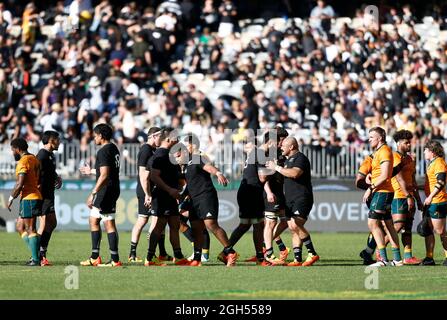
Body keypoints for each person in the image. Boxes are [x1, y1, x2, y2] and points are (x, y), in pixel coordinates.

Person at [182, 134, 238, 267]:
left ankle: (230, 252)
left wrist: (218, 173)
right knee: (197, 228)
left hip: (205, 195)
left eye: (185, 145)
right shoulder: (186, 162)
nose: (183, 148)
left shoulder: (198, 157)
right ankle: (197, 258)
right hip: (193, 199)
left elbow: (209, 167)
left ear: (193, 145)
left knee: (211, 224)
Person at [267, 137, 319, 266]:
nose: (281, 147)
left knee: (295, 224)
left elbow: (294, 173)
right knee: (292, 228)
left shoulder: (300, 158)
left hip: (302, 197)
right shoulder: (287, 160)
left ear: (291, 147)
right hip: (290, 199)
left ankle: (312, 253)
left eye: (284, 145)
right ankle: (297, 259)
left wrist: (277, 168)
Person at [79, 124, 122, 267]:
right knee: (93, 220)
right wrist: (91, 170)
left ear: (101, 136)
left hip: (106, 190)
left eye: (95, 135)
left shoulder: (103, 151)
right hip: (111, 188)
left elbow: (104, 175)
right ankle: (94, 257)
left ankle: (115, 259)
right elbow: (106, 170)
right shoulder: (113, 148)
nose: (94, 138)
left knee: (109, 223)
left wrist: (93, 193)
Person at [128, 127, 172, 263]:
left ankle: (162, 253)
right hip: (145, 190)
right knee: (144, 220)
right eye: (160, 137)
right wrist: (147, 194)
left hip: (151, 190)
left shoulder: (153, 150)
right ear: (153, 136)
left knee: (158, 220)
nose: (162, 140)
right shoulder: (145, 150)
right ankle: (136, 254)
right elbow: (143, 175)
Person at [145, 127, 188, 266]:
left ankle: (178, 256)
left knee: (175, 225)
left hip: (170, 196)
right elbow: (153, 176)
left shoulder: (169, 155)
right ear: (169, 139)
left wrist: (178, 190)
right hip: (162, 195)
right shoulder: (160, 155)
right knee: (159, 226)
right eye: (177, 138)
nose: (178, 141)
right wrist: (170, 190)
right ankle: (150, 258)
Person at [363, 127, 402, 267]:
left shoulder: (384, 151)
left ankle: (383, 259)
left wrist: (370, 188)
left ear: (380, 138)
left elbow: (385, 176)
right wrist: (371, 176)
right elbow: (382, 173)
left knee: (373, 223)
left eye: (371, 137)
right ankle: (397, 259)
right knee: (388, 225)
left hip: (382, 192)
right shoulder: (379, 152)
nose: (369, 139)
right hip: (383, 191)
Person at [225, 131, 266, 265]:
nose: (244, 145)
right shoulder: (258, 154)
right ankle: (260, 258)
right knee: (258, 225)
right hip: (252, 193)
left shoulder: (250, 157)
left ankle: (226, 251)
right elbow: (263, 177)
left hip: (245, 192)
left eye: (246, 143)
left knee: (245, 224)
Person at [7, 138, 43, 266]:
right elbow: (39, 178)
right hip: (33, 196)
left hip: (29, 198)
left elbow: (19, 183)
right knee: (20, 227)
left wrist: (11, 198)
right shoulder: (34, 158)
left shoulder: (23, 161)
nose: (12, 153)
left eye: (12, 150)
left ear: (17, 149)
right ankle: (36, 255)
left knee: (30, 229)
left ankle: (36, 259)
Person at [390, 130, 423, 265]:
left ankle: (408, 256)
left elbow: (413, 181)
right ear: (398, 144)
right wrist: (408, 196)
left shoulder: (410, 159)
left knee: (407, 228)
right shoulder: (395, 157)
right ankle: (380, 251)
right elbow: (399, 179)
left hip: (410, 196)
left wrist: (418, 200)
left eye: (410, 142)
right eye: (406, 142)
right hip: (399, 196)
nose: (409, 144)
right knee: (397, 227)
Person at [259, 128, 290, 265]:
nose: (284, 142)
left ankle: (270, 247)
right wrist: (268, 192)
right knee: (269, 222)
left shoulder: (280, 153)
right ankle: (269, 253)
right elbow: (263, 176)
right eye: (283, 139)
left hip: (279, 191)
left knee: (284, 222)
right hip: (270, 192)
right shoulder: (266, 153)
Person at [36, 131, 62, 266]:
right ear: (51, 141)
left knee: (52, 223)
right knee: (45, 223)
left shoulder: (51, 155)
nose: (59, 142)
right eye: (58, 140)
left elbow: (48, 171)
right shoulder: (41, 155)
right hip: (42, 195)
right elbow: (35, 172)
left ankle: (41, 254)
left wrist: (56, 177)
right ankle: (36, 257)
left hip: (49, 194)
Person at [422, 140, 447, 266]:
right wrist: (417, 187)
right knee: (427, 229)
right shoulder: (432, 163)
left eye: (425, 150)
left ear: (432, 151)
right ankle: (429, 257)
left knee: (440, 230)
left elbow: (441, 182)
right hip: (431, 201)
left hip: (437, 201)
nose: (424, 152)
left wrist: (430, 196)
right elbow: (431, 184)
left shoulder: (439, 162)